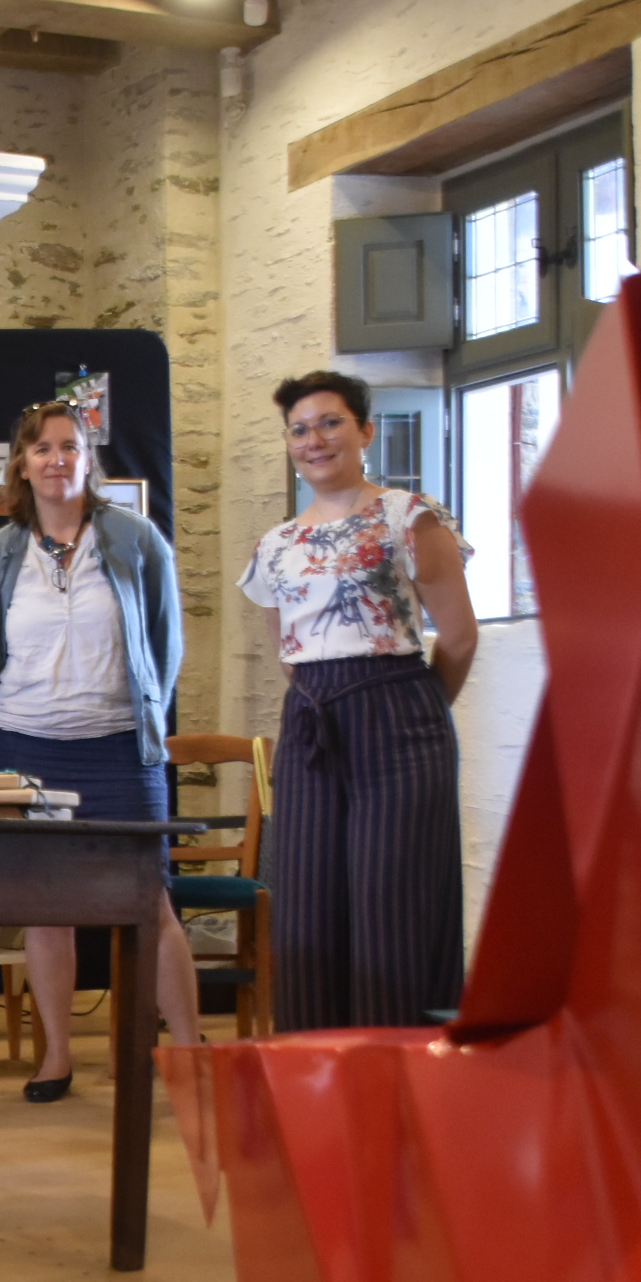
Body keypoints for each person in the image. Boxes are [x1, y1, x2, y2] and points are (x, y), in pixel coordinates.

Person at [0, 401, 203, 1100]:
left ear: (88, 459)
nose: (56, 459)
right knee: (47, 907)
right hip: (24, 745)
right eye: (42, 448)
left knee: (151, 902)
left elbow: (165, 643)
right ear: (22, 464)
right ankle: (57, 1058)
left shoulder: (134, 538)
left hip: (121, 749)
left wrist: (139, 713)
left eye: (70, 446)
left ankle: (192, 1054)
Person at [238, 369, 481, 1031]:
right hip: (312, 723)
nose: (313, 439)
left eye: (329, 422)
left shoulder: (409, 516)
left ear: (365, 431)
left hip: (400, 718)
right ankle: (316, 1076)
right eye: (299, 429)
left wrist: (412, 712)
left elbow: (459, 637)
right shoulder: (276, 546)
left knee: (391, 908)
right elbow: (289, 653)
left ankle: (397, 1080)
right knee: (307, 909)